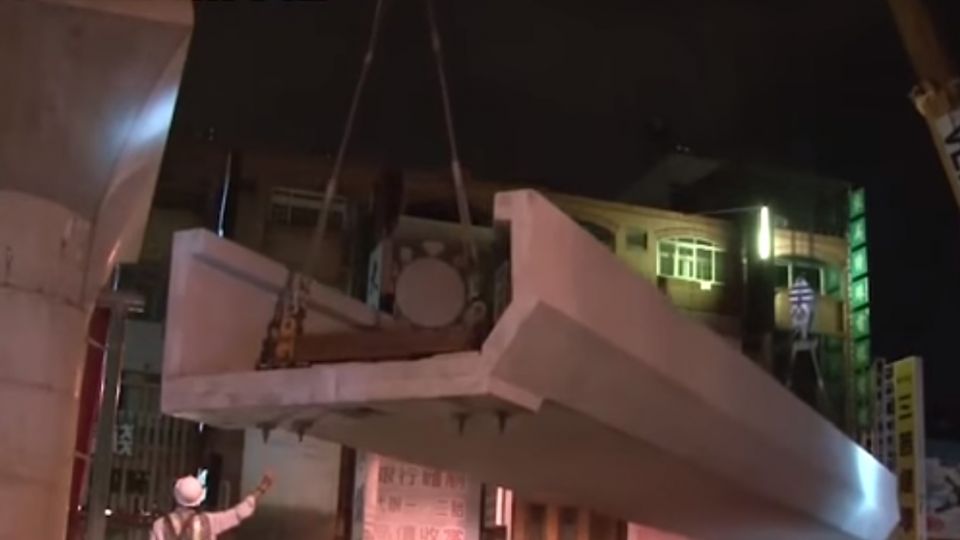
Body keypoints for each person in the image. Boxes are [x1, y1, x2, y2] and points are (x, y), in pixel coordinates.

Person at [150, 472, 274, 539]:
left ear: (175, 496)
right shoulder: (210, 521)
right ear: (199, 501)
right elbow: (239, 512)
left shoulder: (159, 525)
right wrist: (261, 489)